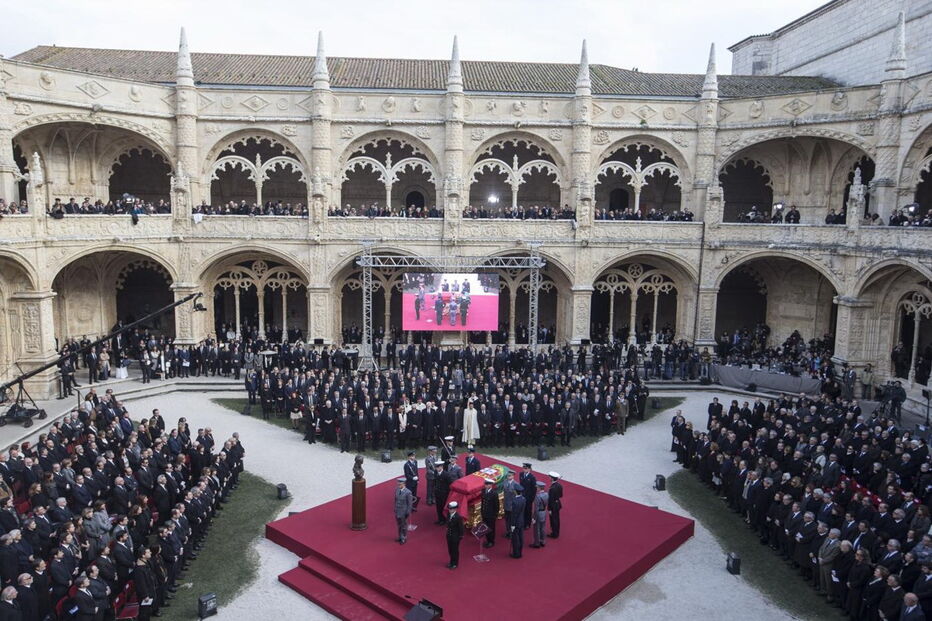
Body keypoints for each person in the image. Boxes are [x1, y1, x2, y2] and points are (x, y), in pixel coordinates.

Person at [394, 477, 414, 545]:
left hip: (403, 512)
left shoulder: (408, 492)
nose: (399, 484)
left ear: (404, 484)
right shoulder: (397, 490)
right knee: (399, 525)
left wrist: (407, 512)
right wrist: (395, 508)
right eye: (398, 483)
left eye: (400, 483)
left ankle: (404, 538)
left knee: (404, 526)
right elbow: (395, 500)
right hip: (397, 511)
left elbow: (409, 504)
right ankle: (400, 536)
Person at [445, 501, 465, 569]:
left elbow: (461, 528)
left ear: (455, 509)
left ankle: (455, 563)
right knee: (450, 550)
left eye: (451, 509)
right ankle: (451, 561)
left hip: (455, 537)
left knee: (455, 551)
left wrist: (460, 537)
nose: (450, 510)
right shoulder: (448, 514)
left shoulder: (458, 517)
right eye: (449, 509)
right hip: (449, 536)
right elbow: (448, 523)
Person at [480, 479, 499, 548]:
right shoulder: (483, 491)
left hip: (491, 515)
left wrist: (495, 515)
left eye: (487, 484)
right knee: (486, 527)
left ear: (490, 485)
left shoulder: (494, 494)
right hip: (484, 513)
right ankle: (488, 539)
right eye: (485, 484)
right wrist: (482, 512)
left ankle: (491, 541)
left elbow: (497, 505)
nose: (486, 486)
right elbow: (483, 503)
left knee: (491, 528)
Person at [531, 481, 549, 549]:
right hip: (544, 512)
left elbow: (536, 509)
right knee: (543, 528)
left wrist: (533, 517)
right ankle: (543, 541)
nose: (536, 488)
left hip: (538, 514)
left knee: (536, 529)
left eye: (537, 487)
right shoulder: (546, 494)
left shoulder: (537, 496)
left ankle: (537, 543)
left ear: (539, 488)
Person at [510, 484, 526, 559]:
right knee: (520, 537)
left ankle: (516, 553)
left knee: (515, 539)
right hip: (521, 520)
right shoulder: (523, 499)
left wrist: (512, 525)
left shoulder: (515, 501)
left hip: (516, 522)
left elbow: (514, 514)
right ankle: (520, 552)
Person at [520, 463, 536, 530]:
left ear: (529, 469)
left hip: (528, 497)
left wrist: (531, 499)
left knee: (528, 510)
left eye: (526, 468)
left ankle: (527, 524)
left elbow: (534, 489)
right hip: (522, 495)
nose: (524, 469)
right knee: (522, 510)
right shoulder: (521, 474)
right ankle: (523, 522)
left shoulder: (532, 477)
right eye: (523, 468)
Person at [434, 461, 450, 525]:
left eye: (438, 467)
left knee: (443, 506)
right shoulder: (436, 472)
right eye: (436, 467)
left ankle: (445, 520)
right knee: (438, 507)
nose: (436, 468)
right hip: (437, 493)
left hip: (444, 494)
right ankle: (440, 519)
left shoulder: (446, 474)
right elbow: (435, 481)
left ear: (441, 467)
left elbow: (450, 484)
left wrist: (446, 492)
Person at [547, 472, 563, 539]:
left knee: (553, 520)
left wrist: (549, 509)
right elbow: (561, 495)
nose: (549, 478)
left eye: (550, 477)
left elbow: (550, 499)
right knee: (557, 519)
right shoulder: (559, 485)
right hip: (557, 504)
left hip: (553, 506)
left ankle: (554, 533)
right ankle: (556, 532)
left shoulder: (552, 488)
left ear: (552, 478)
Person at [503, 470, 517, 539]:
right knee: (507, 519)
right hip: (506, 504)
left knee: (512, 520)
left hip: (512, 505)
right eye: (508, 475)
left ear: (513, 476)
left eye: (510, 475)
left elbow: (516, 496)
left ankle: (512, 532)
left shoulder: (515, 484)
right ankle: (508, 531)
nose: (508, 477)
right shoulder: (505, 482)